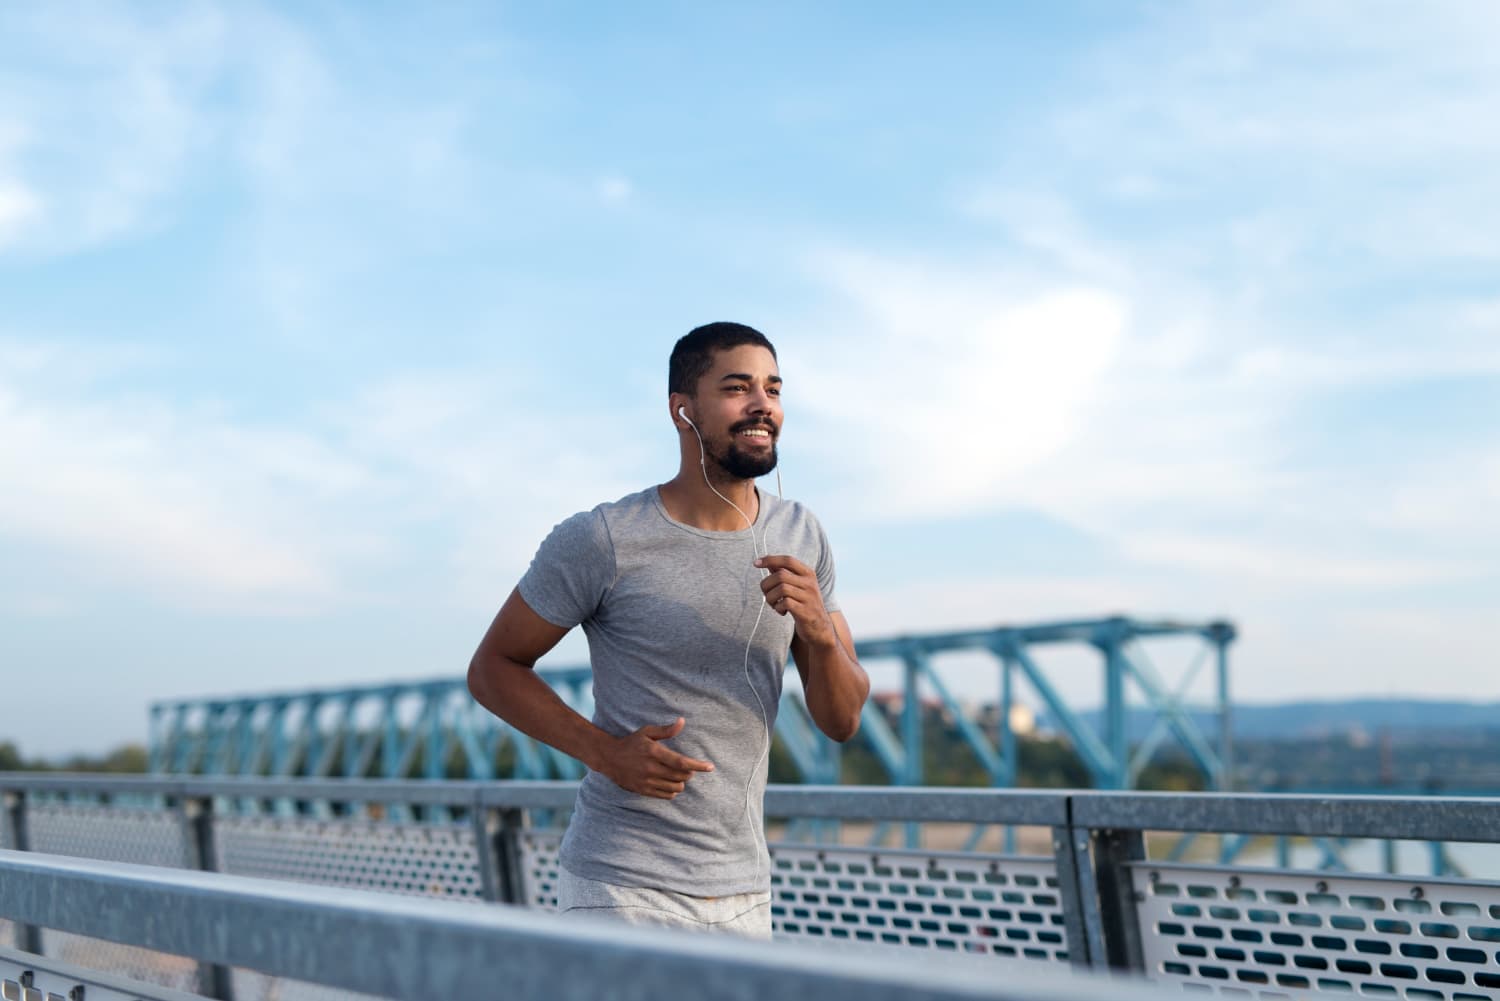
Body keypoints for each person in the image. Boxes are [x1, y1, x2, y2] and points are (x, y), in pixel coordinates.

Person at [467, 321, 868, 940]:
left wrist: (817, 631)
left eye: (774, 388)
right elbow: (493, 668)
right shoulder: (603, 537)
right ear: (684, 410)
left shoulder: (802, 534)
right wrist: (604, 752)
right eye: (738, 388)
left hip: (744, 893)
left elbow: (842, 721)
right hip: (620, 885)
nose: (763, 404)